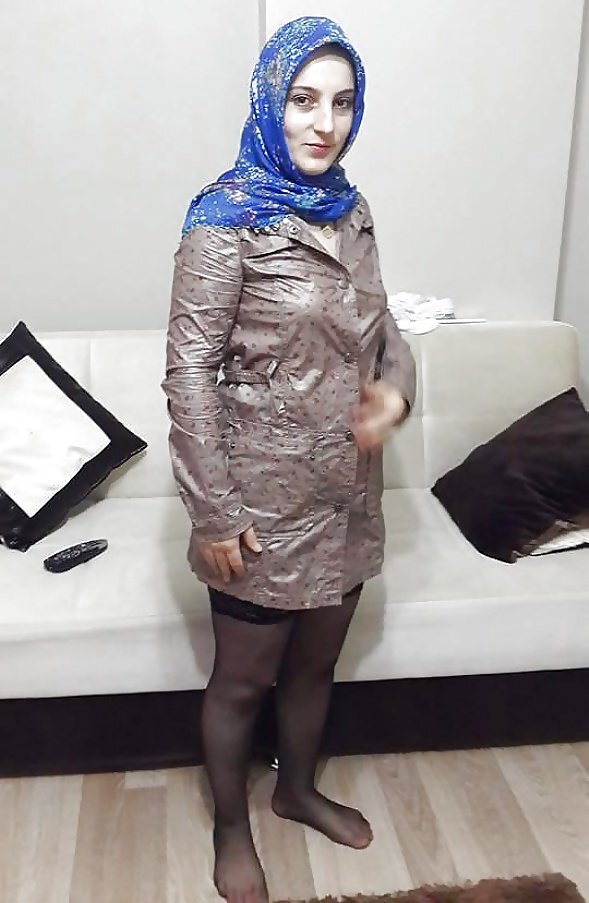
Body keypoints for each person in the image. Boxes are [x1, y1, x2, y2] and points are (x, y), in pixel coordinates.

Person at [162, 16, 416, 903]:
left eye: (342, 103)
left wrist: (396, 390)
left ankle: (297, 788)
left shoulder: (351, 208)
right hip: (258, 505)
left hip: (347, 494)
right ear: (270, 103)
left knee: (314, 666)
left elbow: (382, 326)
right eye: (304, 100)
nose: (324, 123)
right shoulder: (223, 221)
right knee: (242, 683)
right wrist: (213, 512)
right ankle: (231, 830)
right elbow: (188, 374)